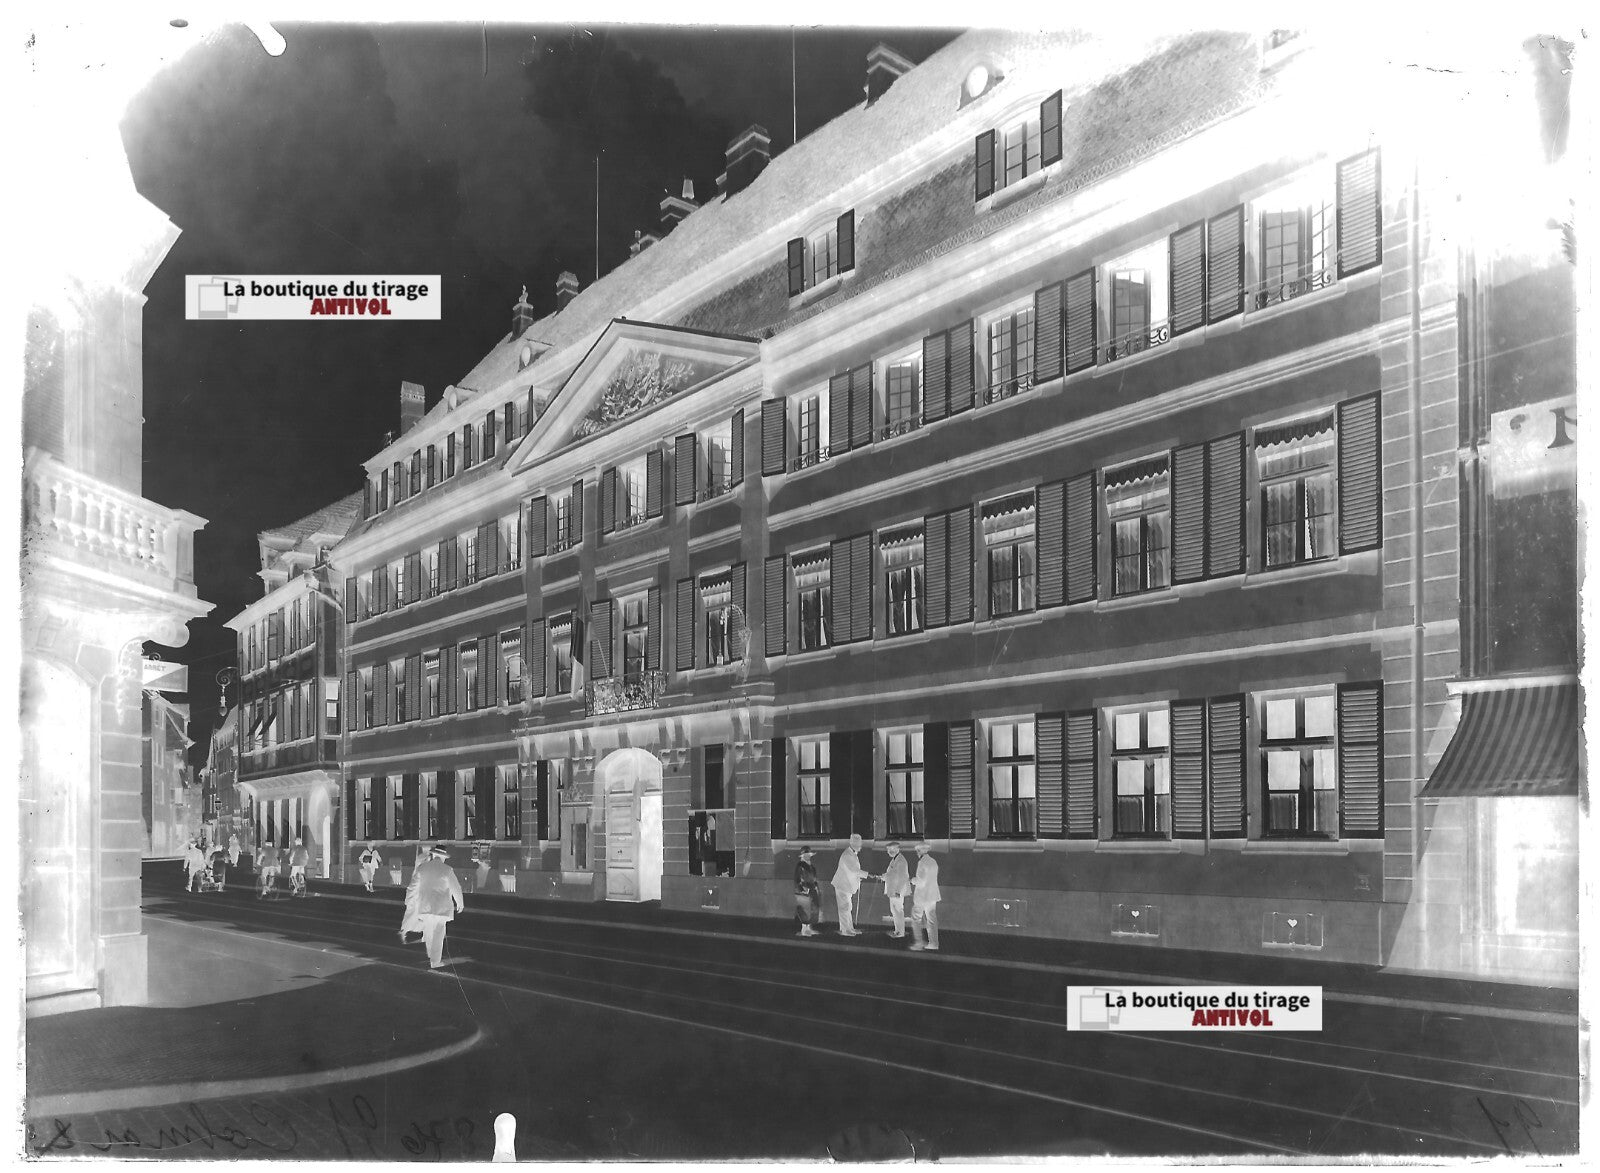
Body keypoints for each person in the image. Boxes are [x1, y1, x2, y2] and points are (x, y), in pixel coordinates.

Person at [406, 844, 465, 970]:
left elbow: (412, 886)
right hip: (441, 908)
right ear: (443, 857)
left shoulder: (422, 868)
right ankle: (435, 961)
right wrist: (460, 903)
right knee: (438, 934)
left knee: (428, 931)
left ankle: (430, 955)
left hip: (425, 906)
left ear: (433, 855)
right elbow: (456, 888)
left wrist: (409, 901)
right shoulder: (447, 870)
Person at [831, 833, 866, 936]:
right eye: (859, 844)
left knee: (848, 907)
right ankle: (845, 930)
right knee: (844, 908)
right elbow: (853, 870)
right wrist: (867, 875)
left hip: (847, 886)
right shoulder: (847, 855)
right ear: (853, 844)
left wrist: (858, 877)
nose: (860, 846)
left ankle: (850, 928)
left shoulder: (852, 854)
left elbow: (851, 871)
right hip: (842, 885)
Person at [909, 842, 941, 952]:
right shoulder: (933, 861)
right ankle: (934, 943)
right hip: (933, 895)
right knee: (931, 919)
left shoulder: (922, 862)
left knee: (916, 918)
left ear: (919, 851)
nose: (917, 853)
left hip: (922, 896)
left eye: (917, 851)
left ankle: (919, 942)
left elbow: (921, 881)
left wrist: (912, 880)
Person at [876, 842, 911, 938]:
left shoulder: (901, 861)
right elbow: (891, 874)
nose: (888, 852)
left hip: (897, 891)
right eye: (888, 850)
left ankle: (900, 932)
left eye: (889, 850)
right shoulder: (894, 860)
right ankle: (897, 930)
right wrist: (882, 877)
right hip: (893, 890)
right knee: (894, 910)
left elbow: (903, 877)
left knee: (898, 910)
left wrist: (898, 891)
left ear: (895, 850)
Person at [794, 845, 821, 937]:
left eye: (808, 855)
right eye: (806, 855)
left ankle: (809, 928)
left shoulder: (811, 866)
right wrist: (802, 889)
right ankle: (804, 929)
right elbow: (798, 879)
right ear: (802, 856)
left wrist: (816, 887)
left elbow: (814, 878)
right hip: (804, 890)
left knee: (812, 909)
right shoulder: (800, 866)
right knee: (804, 909)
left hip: (812, 889)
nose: (807, 856)